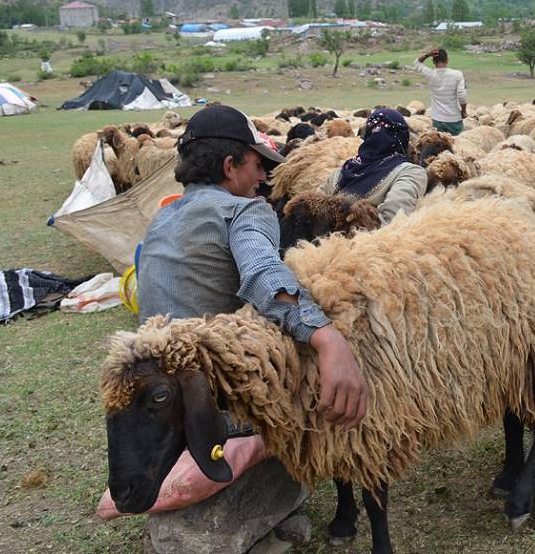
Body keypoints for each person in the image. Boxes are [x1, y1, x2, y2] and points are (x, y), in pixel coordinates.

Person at [137, 104, 368, 427]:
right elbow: (261, 270)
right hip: (219, 396)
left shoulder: (162, 217)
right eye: (258, 166)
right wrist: (327, 338)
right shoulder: (243, 211)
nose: (263, 178)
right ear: (230, 166)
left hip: (155, 396)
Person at [320, 108, 427, 224]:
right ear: (402, 137)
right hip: (370, 240)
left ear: (368, 135)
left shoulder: (341, 172)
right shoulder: (410, 172)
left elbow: (313, 211)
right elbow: (394, 220)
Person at [414, 48, 467, 135]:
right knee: (456, 144)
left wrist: (427, 54)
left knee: (439, 146)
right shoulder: (457, 74)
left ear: (433, 62)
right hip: (454, 118)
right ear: (447, 61)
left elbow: (417, 63)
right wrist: (463, 111)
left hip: (438, 119)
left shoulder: (430, 74)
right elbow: (461, 95)